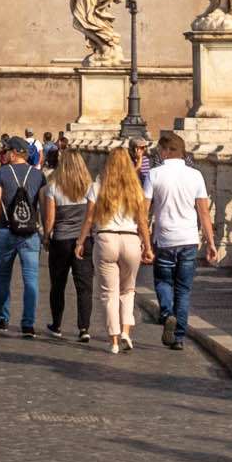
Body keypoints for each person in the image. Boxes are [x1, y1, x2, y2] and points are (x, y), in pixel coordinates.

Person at [142, 132, 220, 351]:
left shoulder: (154, 175)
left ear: (167, 150)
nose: (158, 154)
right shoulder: (195, 175)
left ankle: (167, 313)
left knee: (163, 282)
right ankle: (178, 337)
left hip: (164, 238)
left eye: (159, 150)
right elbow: (204, 212)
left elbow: (143, 211)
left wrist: (145, 241)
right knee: (183, 290)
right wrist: (211, 243)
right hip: (188, 239)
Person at [87, 146, 151, 352]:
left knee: (109, 293)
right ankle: (126, 331)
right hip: (131, 240)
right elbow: (142, 222)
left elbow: (89, 218)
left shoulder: (97, 186)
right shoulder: (136, 190)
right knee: (128, 290)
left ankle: (114, 341)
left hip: (106, 239)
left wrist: (80, 242)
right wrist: (148, 247)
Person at [0, 135, 51, 336]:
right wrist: (44, 232)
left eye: (6, 151)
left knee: (3, 277)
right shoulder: (38, 175)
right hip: (30, 233)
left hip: (6, 230)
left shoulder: (1, 173)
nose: (4, 154)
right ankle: (28, 324)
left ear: (14, 154)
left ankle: (3, 318)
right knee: (31, 279)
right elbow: (42, 206)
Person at [40, 146, 96, 338]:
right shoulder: (90, 187)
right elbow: (91, 216)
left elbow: (49, 219)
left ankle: (56, 325)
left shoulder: (53, 187)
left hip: (61, 240)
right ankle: (84, 328)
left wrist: (47, 237)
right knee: (84, 286)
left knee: (58, 284)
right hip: (83, 239)